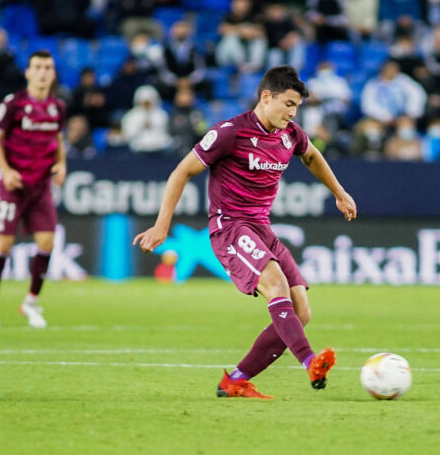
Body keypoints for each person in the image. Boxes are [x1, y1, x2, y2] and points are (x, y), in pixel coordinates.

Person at [133, 66, 357, 398]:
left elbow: (312, 156)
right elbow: (181, 172)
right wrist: (162, 225)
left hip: (262, 228)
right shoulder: (229, 133)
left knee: (301, 312)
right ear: (266, 97)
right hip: (230, 227)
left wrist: (340, 192)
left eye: (297, 107)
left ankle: (235, 380)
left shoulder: (289, 134)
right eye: (288, 104)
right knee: (276, 284)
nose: (292, 113)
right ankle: (310, 362)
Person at [0, 50, 67, 330]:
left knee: (46, 243)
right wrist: (5, 170)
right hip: (12, 185)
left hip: (40, 186)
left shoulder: (57, 107)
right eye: (38, 67)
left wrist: (61, 165)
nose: (43, 72)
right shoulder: (13, 104)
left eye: (48, 67)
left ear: (53, 73)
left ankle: (30, 302)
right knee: (3, 245)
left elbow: (58, 139)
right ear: (28, 72)